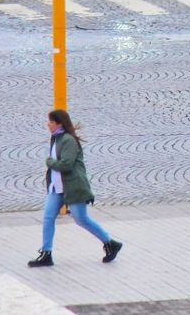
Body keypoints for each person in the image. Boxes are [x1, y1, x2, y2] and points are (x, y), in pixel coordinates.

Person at [29, 109, 121, 268]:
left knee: (81, 219)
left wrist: (49, 162)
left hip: (73, 187)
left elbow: (66, 164)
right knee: (48, 218)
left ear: (59, 123)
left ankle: (110, 243)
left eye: (50, 122)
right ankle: (46, 253)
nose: (48, 124)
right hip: (56, 187)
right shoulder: (56, 138)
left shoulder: (68, 140)